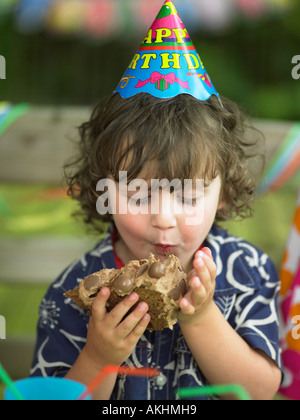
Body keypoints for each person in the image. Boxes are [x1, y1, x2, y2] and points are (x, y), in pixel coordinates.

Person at [30, 1, 282, 400]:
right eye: (137, 193)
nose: (164, 219)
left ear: (224, 192)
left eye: (187, 195)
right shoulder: (79, 291)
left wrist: (200, 318)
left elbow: (259, 391)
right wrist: (98, 358)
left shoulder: (246, 273)